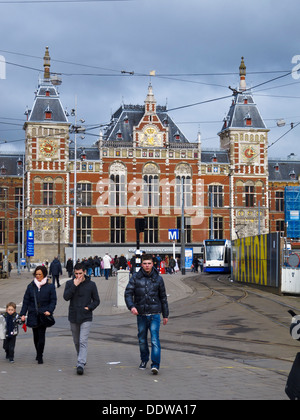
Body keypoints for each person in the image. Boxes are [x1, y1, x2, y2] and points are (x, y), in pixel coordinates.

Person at [124, 254, 169, 375]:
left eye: (149, 263)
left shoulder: (159, 279)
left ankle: (155, 364)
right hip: (141, 314)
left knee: (154, 339)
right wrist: (132, 306)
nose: (147, 266)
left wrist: (165, 315)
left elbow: (163, 297)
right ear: (141, 264)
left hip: (155, 313)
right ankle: (144, 360)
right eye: (145, 263)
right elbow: (128, 293)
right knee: (142, 339)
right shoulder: (135, 278)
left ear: (153, 264)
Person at [63, 262, 100, 375]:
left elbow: (97, 300)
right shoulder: (70, 283)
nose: (78, 276)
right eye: (76, 274)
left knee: (83, 340)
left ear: (84, 272)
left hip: (86, 316)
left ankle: (80, 363)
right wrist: (74, 285)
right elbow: (66, 297)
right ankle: (81, 357)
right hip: (73, 315)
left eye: (80, 273)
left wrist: (89, 307)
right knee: (76, 341)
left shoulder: (91, 284)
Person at [20, 265, 57, 364]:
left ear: (44, 274)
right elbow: (26, 301)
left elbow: (53, 300)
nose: (38, 276)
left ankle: (40, 355)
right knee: (35, 336)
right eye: (36, 274)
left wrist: (50, 310)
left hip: (43, 314)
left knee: (41, 335)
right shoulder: (30, 286)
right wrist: (22, 314)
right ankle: (38, 352)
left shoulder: (50, 287)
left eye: (40, 274)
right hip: (33, 314)